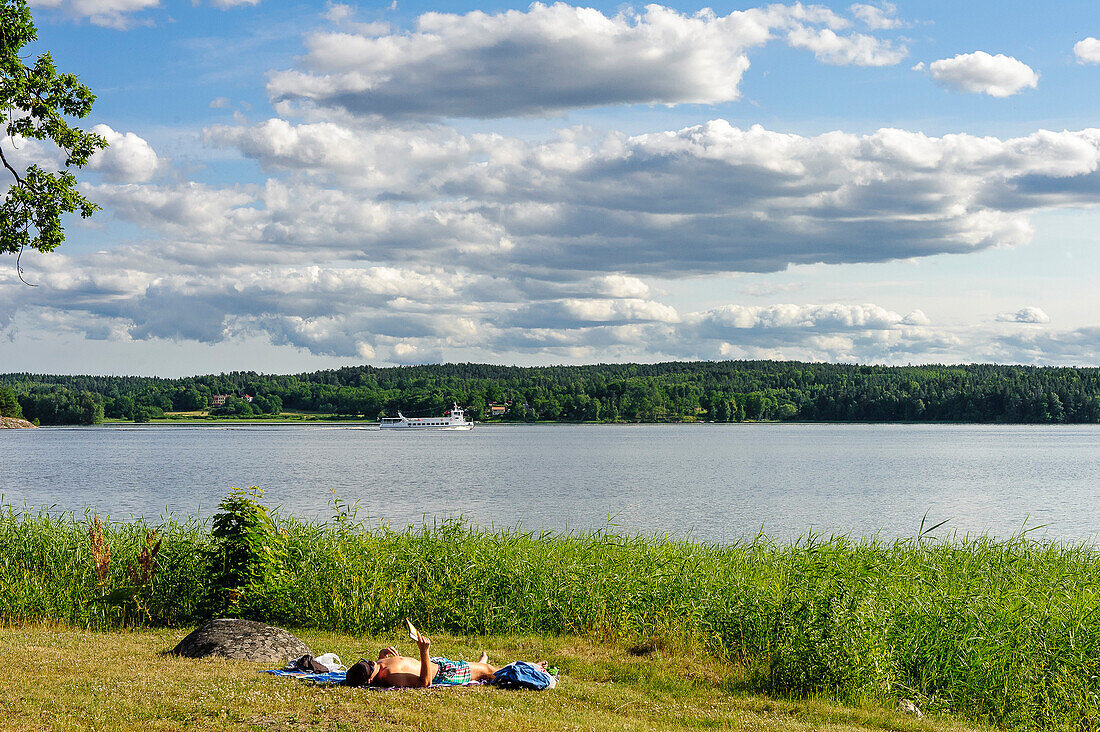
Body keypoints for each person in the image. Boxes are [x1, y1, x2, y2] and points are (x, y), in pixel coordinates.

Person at [344, 627, 498, 688]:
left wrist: (382, 656)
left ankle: (479, 664)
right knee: (489, 671)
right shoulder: (389, 676)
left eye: (369, 662)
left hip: (436, 663)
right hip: (444, 672)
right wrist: (424, 651)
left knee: (478, 668)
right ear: (370, 680)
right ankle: (490, 666)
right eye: (372, 667)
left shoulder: (377, 667)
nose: (374, 663)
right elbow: (425, 682)